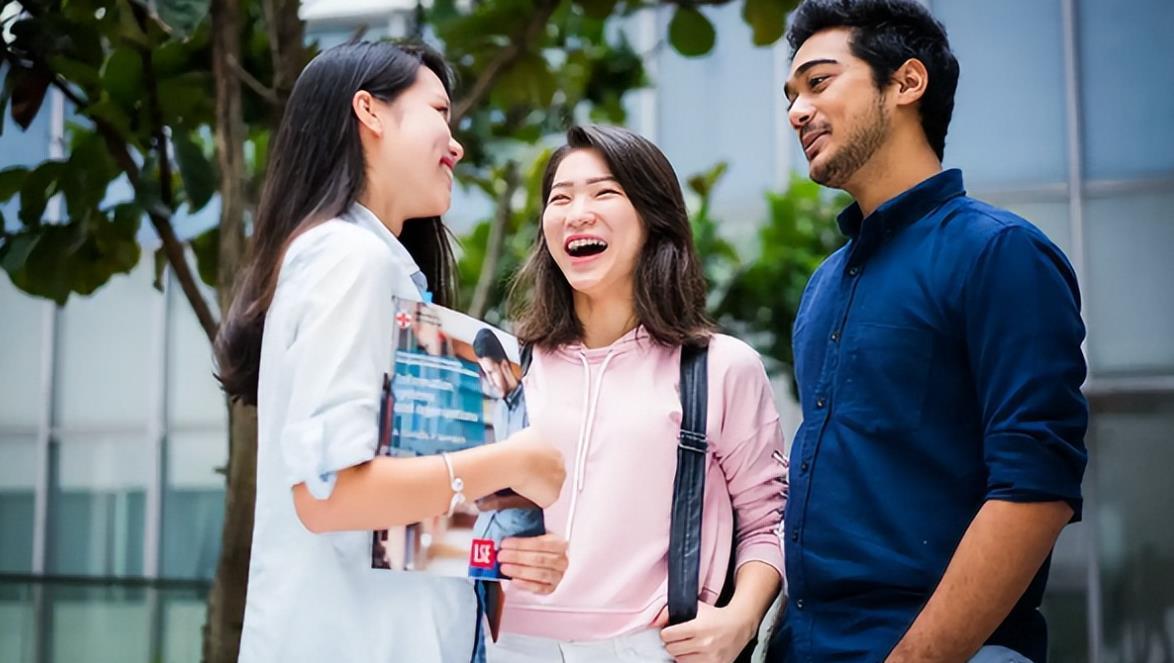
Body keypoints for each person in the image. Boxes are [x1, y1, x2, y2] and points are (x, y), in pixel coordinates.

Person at [212, 41, 568, 663]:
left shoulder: (365, 262)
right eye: (439, 111)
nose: (455, 145)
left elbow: (385, 522)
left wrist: (497, 545)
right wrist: (511, 462)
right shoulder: (348, 260)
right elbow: (331, 498)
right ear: (369, 112)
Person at [771, 2, 1088, 662]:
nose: (797, 110)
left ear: (907, 83)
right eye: (792, 95)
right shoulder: (823, 287)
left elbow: (1036, 490)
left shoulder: (1000, 254)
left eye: (819, 82)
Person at [488, 125, 789, 663]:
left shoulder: (718, 367)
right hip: (506, 643)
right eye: (560, 198)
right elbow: (463, 509)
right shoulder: (510, 366)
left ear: (654, 218)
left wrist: (741, 619)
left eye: (604, 192)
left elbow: (769, 520)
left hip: (650, 649)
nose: (577, 211)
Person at [469, 328, 546, 578]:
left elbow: (546, 488)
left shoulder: (535, 406)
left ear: (504, 366)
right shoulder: (500, 410)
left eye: (491, 372)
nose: (490, 381)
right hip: (487, 534)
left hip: (520, 542)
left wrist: (498, 501)